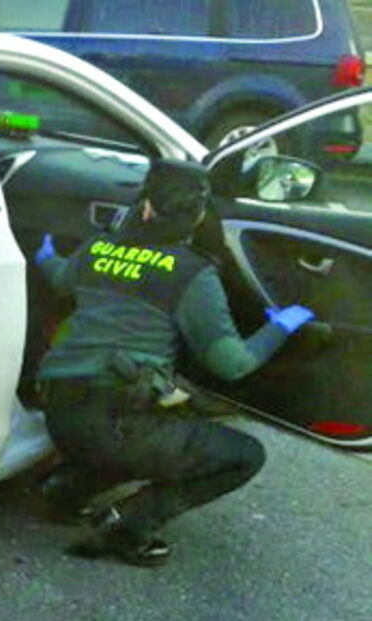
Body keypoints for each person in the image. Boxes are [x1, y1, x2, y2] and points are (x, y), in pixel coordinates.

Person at [33, 158, 315, 567]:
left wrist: (43, 254)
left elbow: (60, 277)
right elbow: (231, 364)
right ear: (198, 216)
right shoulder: (191, 274)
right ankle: (126, 525)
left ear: (145, 206)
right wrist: (280, 327)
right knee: (243, 454)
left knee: (156, 427)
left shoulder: (98, 247)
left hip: (58, 412)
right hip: (116, 423)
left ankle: (65, 490)